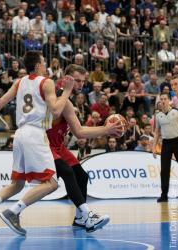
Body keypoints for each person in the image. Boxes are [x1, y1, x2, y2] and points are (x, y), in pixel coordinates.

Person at [0, 51, 76, 236]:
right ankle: (13, 212)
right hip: (35, 134)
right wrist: (67, 91)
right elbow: (55, 110)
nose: (46, 66)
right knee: (51, 183)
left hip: (19, 134)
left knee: (17, 184)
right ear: (37, 65)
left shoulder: (19, 82)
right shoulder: (47, 82)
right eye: (44, 62)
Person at [47, 64, 123, 229]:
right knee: (57, 179)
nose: (81, 84)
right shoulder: (60, 97)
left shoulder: (67, 98)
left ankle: (80, 218)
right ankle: (86, 215)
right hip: (46, 146)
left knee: (81, 177)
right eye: (77, 80)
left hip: (59, 146)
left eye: (83, 81)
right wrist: (107, 129)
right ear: (66, 78)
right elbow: (80, 132)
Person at [152, 93, 178, 202]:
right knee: (164, 170)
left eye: (165, 99)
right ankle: (164, 195)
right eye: (161, 99)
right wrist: (154, 147)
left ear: (169, 100)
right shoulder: (158, 115)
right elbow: (157, 133)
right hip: (166, 143)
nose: (163, 101)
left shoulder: (176, 112)